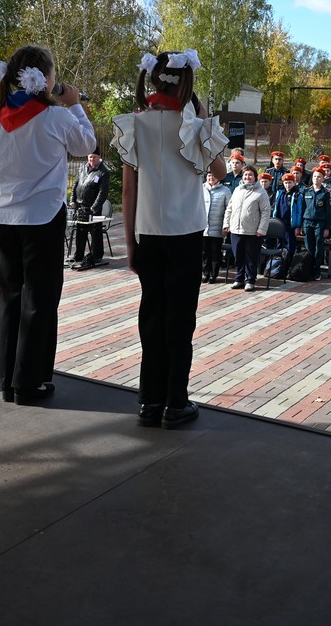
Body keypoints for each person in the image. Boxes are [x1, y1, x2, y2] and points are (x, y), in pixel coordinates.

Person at [113, 49, 226, 429]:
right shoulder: (193, 125)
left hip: (147, 233)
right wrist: (203, 118)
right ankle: (176, 402)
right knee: (180, 321)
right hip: (186, 234)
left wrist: (130, 243)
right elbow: (221, 171)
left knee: (151, 317)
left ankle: (149, 401)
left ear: (153, 79)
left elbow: (128, 191)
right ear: (187, 84)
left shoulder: (135, 124)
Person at [0, 44, 93, 403]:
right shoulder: (56, 116)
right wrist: (74, 104)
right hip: (42, 218)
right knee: (39, 300)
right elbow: (87, 143)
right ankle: (29, 382)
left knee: (11, 297)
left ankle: (7, 378)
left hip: (5, 219)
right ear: (44, 78)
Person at [222, 165, 270, 292]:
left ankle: (250, 280)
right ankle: (239, 279)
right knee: (238, 256)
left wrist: (261, 229)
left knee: (251, 257)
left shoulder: (261, 192)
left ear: (255, 177)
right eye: (245, 175)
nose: (247, 177)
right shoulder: (237, 190)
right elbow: (229, 208)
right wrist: (226, 224)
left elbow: (265, 212)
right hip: (236, 230)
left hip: (253, 232)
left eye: (250, 175)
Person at [69, 150, 110, 271]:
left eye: (94, 157)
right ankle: (78, 255)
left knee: (95, 231)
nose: (92, 159)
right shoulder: (83, 168)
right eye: (90, 157)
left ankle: (96, 256)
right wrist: (72, 199)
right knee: (80, 231)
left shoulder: (103, 172)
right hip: (80, 206)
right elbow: (75, 184)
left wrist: (94, 207)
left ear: (99, 157)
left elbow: (103, 193)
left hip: (93, 208)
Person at [297, 168, 331, 274]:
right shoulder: (306, 191)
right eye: (314, 176)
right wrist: (301, 225)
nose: (316, 179)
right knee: (308, 246)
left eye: (319, 177)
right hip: (307, 222)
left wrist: (327, 228)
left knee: (318, 247)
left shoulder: (325, 193)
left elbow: (328, 212)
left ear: (323, 179)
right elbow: (302, 209)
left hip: (319, 223)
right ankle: (309, 268)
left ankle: (317, 270)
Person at [201, 171, 231, 283]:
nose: (211, 178)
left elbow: (229, 209)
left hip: (217, 227)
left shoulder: (225, 190)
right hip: (202, 227)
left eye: (214, 175)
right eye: (209, 175)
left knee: (215, 252)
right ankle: (205, 273)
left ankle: (213, 274)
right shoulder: (201, 189)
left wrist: (226, 225)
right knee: (204, 252)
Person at [272, 172, 303, 263]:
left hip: (290, 224)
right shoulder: (280, 193)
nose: (288, 185)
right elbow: (276, 208)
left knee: (290, 246)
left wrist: (298, 226)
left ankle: (288, 264)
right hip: (280, 223)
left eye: (290, 182)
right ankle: (279, 264)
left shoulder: (297, 195)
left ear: (294, 183)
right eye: (286, 183)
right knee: (279, 245)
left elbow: (299, 211)